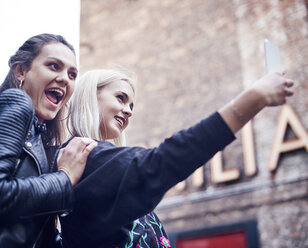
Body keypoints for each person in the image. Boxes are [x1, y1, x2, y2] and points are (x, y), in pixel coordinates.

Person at [59, 68, 294, 248]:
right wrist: (253, 99)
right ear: (91, 96)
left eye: (131, 104)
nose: (129, 110)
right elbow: (164, 161)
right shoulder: (84, 156)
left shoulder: (105, 164)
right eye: (121, 98)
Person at [0, 33, 97, 248]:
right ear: (21, 71)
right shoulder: (16, 102)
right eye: (53, 66)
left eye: (72, 74)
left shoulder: (38, 140)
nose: (65, 78)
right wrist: (64, 179)